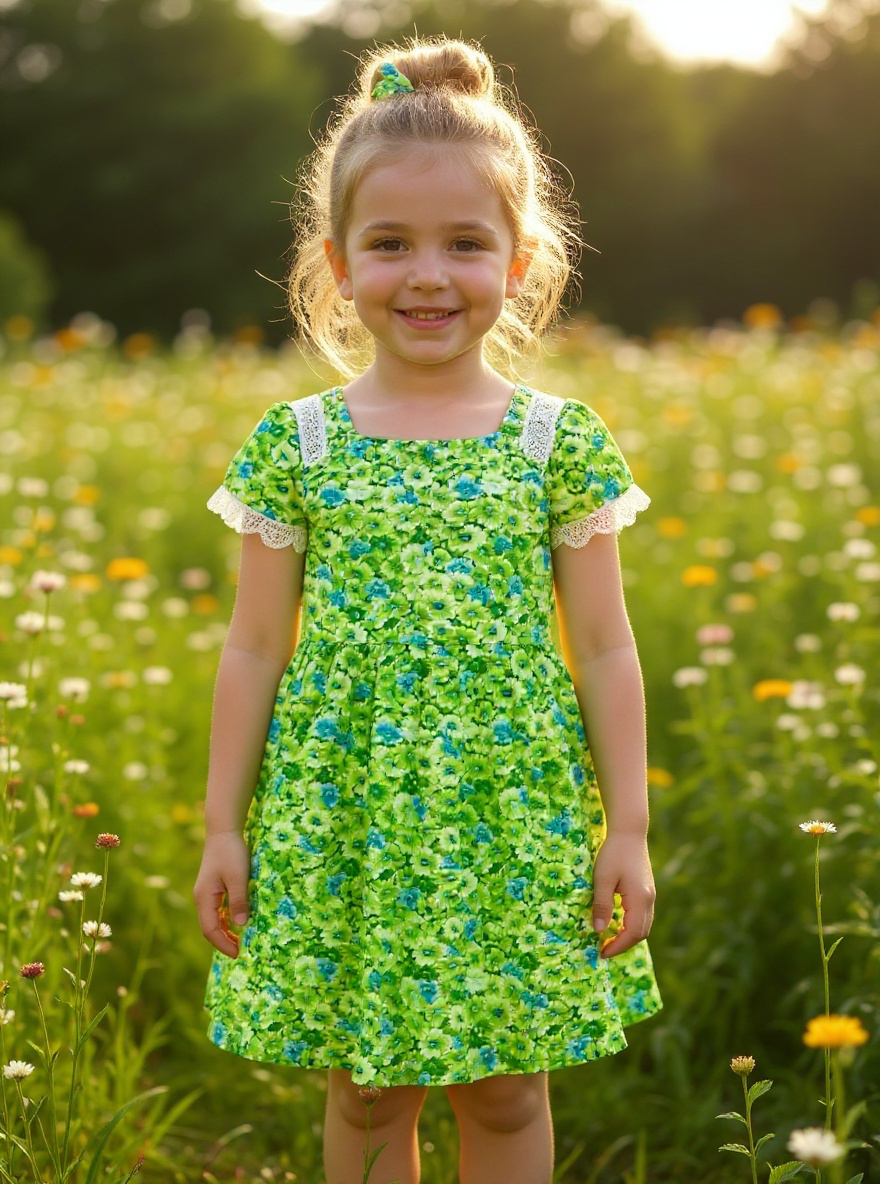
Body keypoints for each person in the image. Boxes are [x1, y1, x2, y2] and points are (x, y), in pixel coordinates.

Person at [192, 36, 661, 1184]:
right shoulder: (299, 444)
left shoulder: (555, 440)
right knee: (366, 1089)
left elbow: (605, 646)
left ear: (520, 258)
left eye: (465, 243)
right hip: (342, 808)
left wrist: (628, 826)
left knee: (504, 1086)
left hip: (509, 809)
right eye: (390, 243)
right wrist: (221, 825)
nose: (428, 276)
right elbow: (253, 646)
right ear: (337, 262)